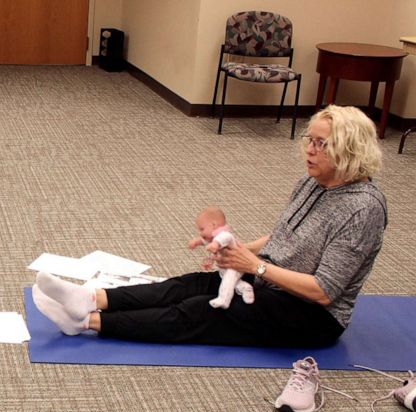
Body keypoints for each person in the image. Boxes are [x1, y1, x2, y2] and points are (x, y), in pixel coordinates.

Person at [33, 105, 387, 348]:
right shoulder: (315, 182)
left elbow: (324, 292)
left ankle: (85, 323)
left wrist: (255, 266)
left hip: (313, 316)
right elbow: (284, 236)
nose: (309, 150)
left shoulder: (362, 209)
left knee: (200, 311)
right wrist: (237, 251)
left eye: (320, 144)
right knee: (186, 285)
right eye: (308, 140)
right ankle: (90, 298)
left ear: (348, 150)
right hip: (270, 281)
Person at [187, 206, 255, 309]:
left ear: (214, 225)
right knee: (228, 279)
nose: (200, 233)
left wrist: (216, 244)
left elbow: (224, 239)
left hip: (236, 265)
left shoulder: (224, 234)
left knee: (228, 280)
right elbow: (203, 240)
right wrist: (196, 242)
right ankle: (245, 288)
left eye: (202, 229)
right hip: (227, 266)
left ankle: (224, 299)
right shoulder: (213, 237)